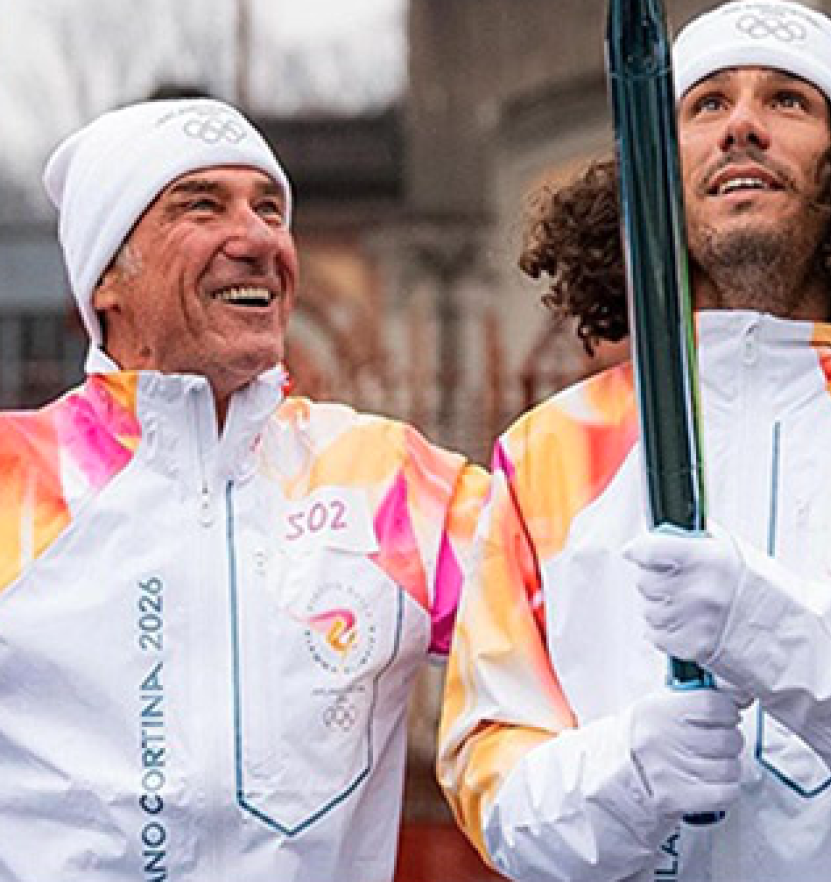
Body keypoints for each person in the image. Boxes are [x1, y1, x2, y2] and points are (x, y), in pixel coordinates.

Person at [438, 0, 831, 882]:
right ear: (664, 173)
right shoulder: (547, 457)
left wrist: (765, 628)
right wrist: (625, 776)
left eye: (786, 100)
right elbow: (491, 790)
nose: (742, 126)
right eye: (707, 104)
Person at [0, 96, 487, 881]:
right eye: (201, 206)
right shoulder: (16, 483)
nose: (258, 239)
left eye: (270, 209)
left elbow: (575, 621)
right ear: (106, 279)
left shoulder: (389, 480)